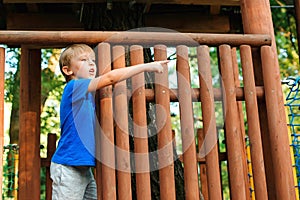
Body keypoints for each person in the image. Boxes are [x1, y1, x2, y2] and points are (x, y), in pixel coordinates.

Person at [50, 43, 168, 200]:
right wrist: (147, 66)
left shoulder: (86, 95)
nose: (91, 63)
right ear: (68, 70)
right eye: (84, 60)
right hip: (68, 167)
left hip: (84, 169)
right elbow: (110, 77)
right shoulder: (74, 87)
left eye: (93, 60)